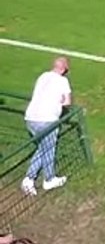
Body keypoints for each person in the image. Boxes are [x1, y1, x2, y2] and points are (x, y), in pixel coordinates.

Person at [21, 57, 72, 197]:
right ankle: (49, 179)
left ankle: (29, 179)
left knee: (43, 148)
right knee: (48, 149)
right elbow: (67, 102)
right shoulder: (63, 81)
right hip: (47, 119)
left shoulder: (43, 76)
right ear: (64, 69)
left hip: (30, 118)